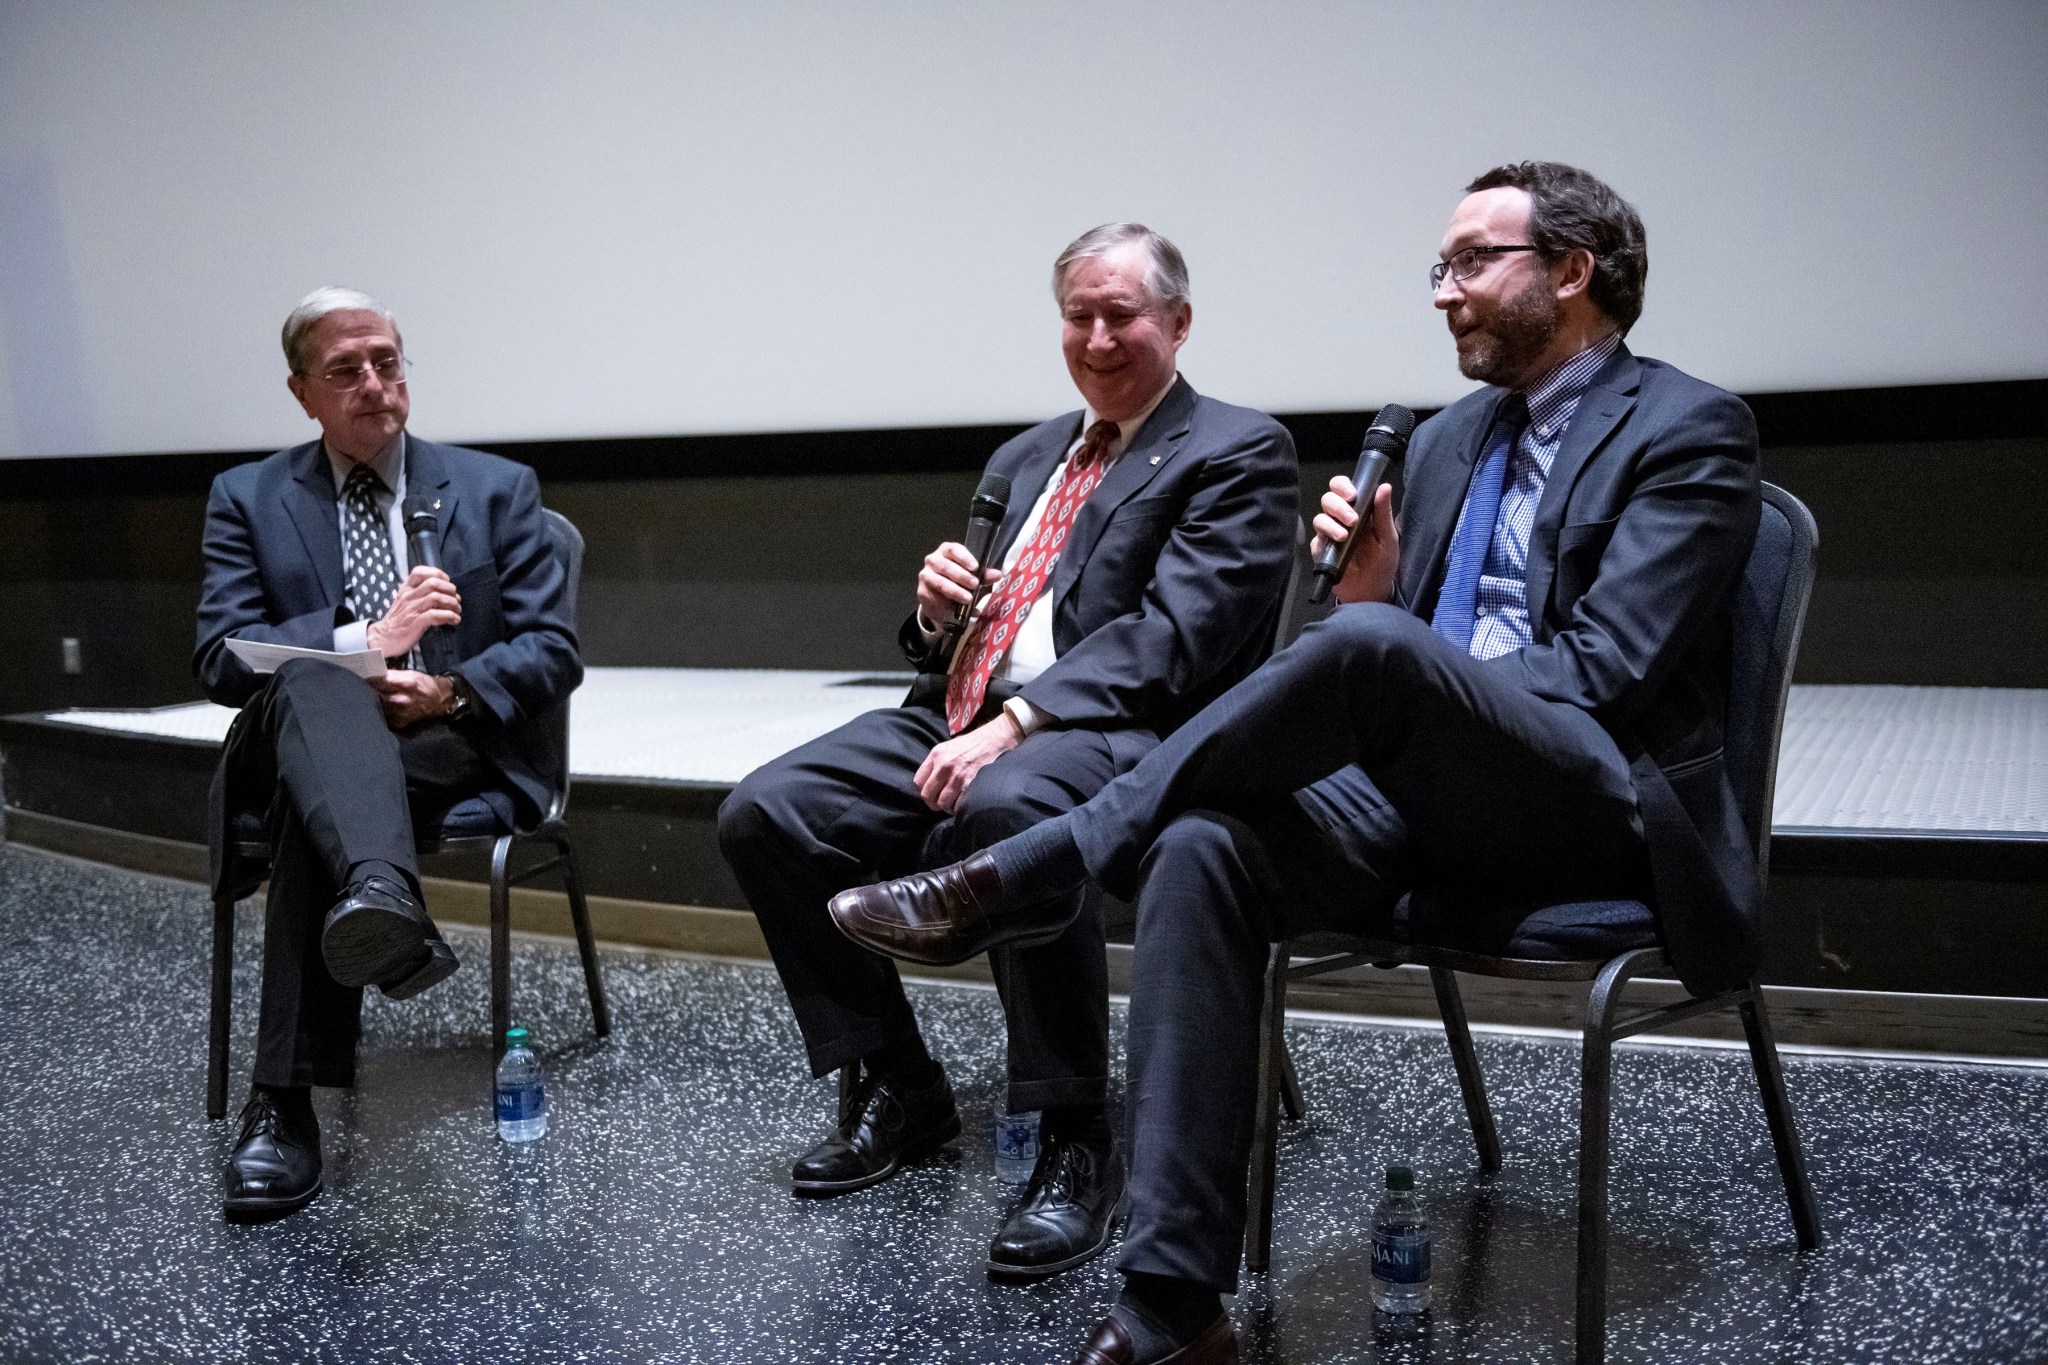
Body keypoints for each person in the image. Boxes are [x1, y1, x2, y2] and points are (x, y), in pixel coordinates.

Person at [830, 164, 1764, 1363]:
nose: (1444, 292)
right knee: (1200, 847)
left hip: (1587, 801)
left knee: (1368, 648)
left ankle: (1039, 862)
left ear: (1571, 272)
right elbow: (1374, 661)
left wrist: (1392, 650)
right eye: (1442, 266)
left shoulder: (1688, 427)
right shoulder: (1441, 443)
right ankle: (1170, 1305)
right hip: (1422, 794)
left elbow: (1602, 673)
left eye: (1472, 261)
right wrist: (1374, 611)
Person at [717, 224, 1299, 1280]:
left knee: (1006, 810)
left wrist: (1017, 724)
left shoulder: (1236, 449)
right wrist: (936, 616)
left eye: (1119, 313)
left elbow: (1177, 638)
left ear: (1176, 322)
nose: (1096, 335)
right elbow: (976, 628)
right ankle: (900, 1083)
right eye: (1077, 314)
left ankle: (1074, 1137)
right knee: (767, 812)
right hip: (961, 708)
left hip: (1124, 734)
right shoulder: (1025, 456)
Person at [196, 287, 581, 1221]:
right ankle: (382, 896)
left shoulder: (496, 488)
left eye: (388, 362)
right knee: (318, 689)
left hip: (448, 742)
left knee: (306, 804)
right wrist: (366, 636)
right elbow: (217, 656)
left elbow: (552, 649)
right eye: (345, 371)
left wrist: (446, 689)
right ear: (301, 392)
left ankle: (282, 1105)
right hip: (305, 737)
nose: (375, 385)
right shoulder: (247, 497)